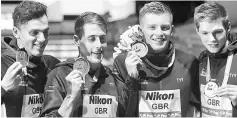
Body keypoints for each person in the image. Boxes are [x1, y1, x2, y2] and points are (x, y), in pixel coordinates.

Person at [112, 1, 201, 117]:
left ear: (172, 30)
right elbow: (122, 113)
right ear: (140, 30)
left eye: (164, 28)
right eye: (152, 27)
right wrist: (132, 79)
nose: (159, 33)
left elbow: (200, 109)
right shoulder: (122, 63)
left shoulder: (189, 63)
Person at [40, 12, 127, 117]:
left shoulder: (111, 77)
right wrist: (70, 96)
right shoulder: (60, 75)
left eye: (102, 39)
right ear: (77, 40)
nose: (99, 45)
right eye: (92, 39)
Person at [1, 1, 60, 117]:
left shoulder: (52, 65)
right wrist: (3, 89)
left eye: (46, 32)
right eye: (34, 33)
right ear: (16, 32)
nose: (42, 39)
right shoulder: (1, 63)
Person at [194, 2, 237, 117]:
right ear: (197, 31)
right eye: (205, 33)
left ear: (228, 27)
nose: (212, 39)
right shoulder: (202, 59)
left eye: (217, 32)